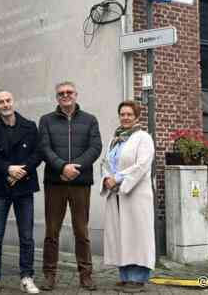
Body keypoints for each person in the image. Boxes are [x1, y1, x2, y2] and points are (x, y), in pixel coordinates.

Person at [38, 81, 102, 291]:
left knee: (82, 231)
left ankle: (86, 275)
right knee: (51, 232)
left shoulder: (90, 120)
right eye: (61, 93)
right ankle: (49, 275)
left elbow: (95, 147)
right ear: (57, 97)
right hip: (55, 182)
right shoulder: (46, 120)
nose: (65, 95)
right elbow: (44, 148)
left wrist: (76, 168)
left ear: (76, 94)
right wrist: (62, 167)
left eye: (69, 92)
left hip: (80, 183)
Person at [0, 91, 41, 295]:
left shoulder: (30, 126)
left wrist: (20, 171)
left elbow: (38, 153)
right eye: (1, 102)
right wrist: (8, 169)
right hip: (0, 187)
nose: (5, 104)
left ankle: (27, 277)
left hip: (24, 187)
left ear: (13, 102)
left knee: (26, 236)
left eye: (8, 100)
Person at [100, 100, 155, 293]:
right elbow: (105, 162)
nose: (125, 117)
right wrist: (106, 178)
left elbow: (141, 165)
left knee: (137, 235)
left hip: (135, 194)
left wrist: (118, 179)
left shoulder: (143, 138)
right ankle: (125, 276)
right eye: (122, 114)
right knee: (121, 235)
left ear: (136, 116)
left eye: (129, 114)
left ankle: (138, 278)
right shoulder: (115, 139)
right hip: (116, 195)